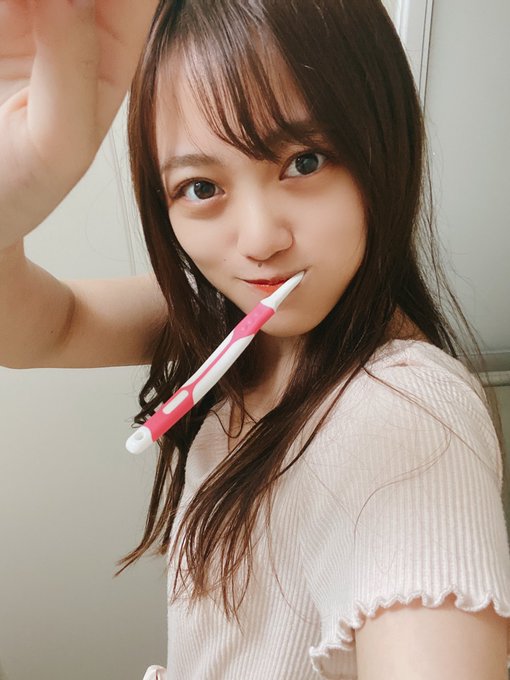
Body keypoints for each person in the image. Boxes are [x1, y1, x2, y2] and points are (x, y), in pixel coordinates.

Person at [1, 1, 509, 678]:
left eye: (305, 161)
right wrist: (11, 199)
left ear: (385, 142)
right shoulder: (225, 325)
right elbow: (44, 331)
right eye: (201, 186)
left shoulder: (409, 417)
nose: (260, 239)